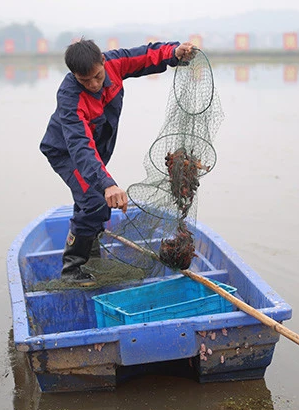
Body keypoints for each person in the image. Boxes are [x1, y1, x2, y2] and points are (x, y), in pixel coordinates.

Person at [40, 38, 197, 286]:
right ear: (74, 75)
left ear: (103, 61)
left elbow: (145, 56)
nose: (93, 85)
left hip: (97, 150)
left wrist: (173, 53)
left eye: (97, 77)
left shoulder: (114, 62)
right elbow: (80, 146)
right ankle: (72, 269)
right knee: (94, 201)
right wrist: (107, 184)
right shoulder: (70, 97)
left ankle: (91, 259)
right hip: (68, 152)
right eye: (84, 80)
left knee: (89, 201)